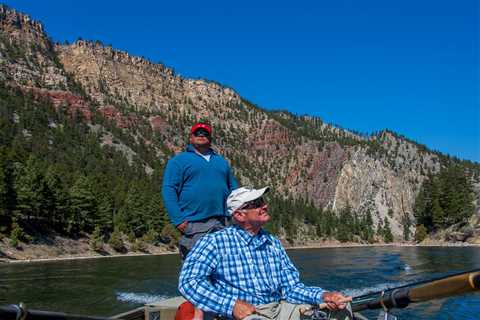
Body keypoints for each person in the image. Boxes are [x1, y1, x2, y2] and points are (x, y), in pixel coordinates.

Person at [178, 186, 353, 320]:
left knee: (342, 309)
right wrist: (231, 306)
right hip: (244, 314)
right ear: (239, 215)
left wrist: (324, 295)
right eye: (256, 203)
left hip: (279, 308)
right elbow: (189, 282)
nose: (264, 205)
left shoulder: (272, 242)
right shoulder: (214, 242)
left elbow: (291, 288)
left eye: (262, 200)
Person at [162, 122, 238, 259]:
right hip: (194, 224)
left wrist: (236, 214)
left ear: (210, 138)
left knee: (224, 271)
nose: (201, 135)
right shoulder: (178, 161)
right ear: (190, 138)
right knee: (196, 273)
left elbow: (234, 190)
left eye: (205, 133)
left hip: (223, 223)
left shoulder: (222, 162)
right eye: (197, 133)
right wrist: (179, 220)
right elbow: (169, 190)